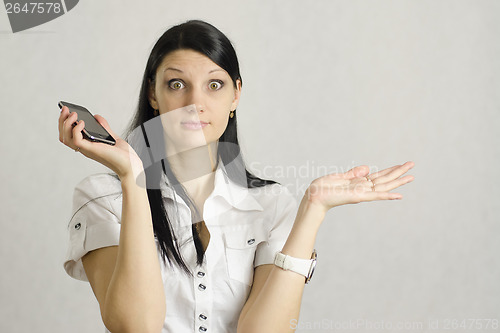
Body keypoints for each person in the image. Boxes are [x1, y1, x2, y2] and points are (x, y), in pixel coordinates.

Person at [58, 20, 414, 333]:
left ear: (235, 95)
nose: (194, 102)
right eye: (177, 84)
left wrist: (312, 212)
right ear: (153, 93)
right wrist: (133, 177)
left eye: (214, 85)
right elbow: (135, 326)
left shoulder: (270, 205)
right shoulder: (103, 197)